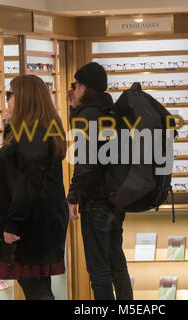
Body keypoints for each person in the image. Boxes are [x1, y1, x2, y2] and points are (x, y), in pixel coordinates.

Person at [0, 75, 69, 300]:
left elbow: (28, 183)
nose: (7, 100)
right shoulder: (35, 131)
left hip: (30, 226)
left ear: (24, 98)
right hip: (37, 223)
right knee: (37, 289)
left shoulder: (34, 134)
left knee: (36, 291)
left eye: (10, 95)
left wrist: (13, 224)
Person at [66, 62, 133, 300]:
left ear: (84, 87)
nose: (71, 90)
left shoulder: (89, 115)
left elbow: (85, 161)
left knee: (98, 268)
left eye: (74, 85)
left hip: (95, 200)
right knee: (116, 262)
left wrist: (73, 196)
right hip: (116, 198)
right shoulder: (111, 111)